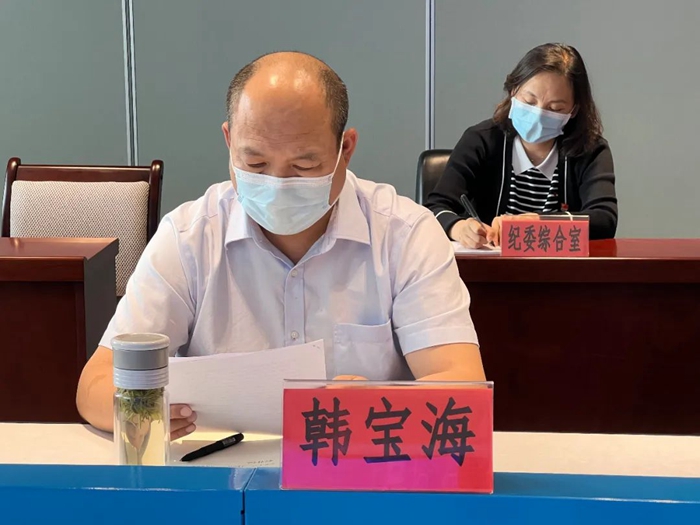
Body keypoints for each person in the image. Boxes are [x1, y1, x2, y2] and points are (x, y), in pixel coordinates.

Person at [76, 51, 485, 440]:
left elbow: (463, 386)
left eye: (304, 165)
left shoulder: (405, 234)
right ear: (228, 140)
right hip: (218, 470)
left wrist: (377, 406)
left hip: (358, 467)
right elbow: (96, 384)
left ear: (345, 149)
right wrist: (144, 409)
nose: (277, 183)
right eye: (255, 164)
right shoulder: (189, 237)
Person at [426, 43, 617, 248]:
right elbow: (435, 207)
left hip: (559, 267)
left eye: (555, 108)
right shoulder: (481, 140)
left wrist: (540, 222)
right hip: (488, 265)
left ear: (574, 110)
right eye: (529, 101)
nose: (539, 115)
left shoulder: (590, 150)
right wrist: (458, 228)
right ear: (513, 91)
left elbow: (604, 219)